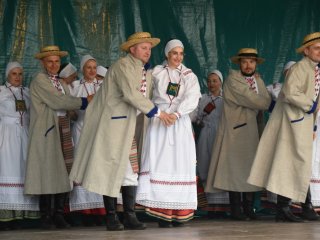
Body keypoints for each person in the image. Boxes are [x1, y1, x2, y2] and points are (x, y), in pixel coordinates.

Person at [70, 32, 173, 231]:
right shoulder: (122, 66)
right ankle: (111, 217)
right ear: (132, 49)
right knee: (110, 168)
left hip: (130, 126)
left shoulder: (145, 70)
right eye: (144, 48)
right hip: (114, 125)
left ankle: (129, 215)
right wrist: (159, 113)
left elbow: (147, 93)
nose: (148, 52)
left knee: (130, 171)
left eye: (149, 48)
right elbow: (130, 94)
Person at [247, 32, 320, 222]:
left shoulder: (313, 69)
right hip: (292, 122)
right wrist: (310, 105)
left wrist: (312, 122)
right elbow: (289, 92)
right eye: (317, 48)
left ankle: (297, 207)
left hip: (302, 123)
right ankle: (284, 208)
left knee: (296, 164)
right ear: (306, 51)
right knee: (288, 163)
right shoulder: (300, 68)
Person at [136, 39, 201, 227]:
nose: (178, 57)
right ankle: (161, 212)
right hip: (159, 120)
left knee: (179, 163)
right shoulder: (156, 72)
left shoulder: (189, 75)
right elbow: (144, 92)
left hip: (179, 123)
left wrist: (177, 114)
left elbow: (193, 97)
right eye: (174, 53)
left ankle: (179, 211)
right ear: (167, 54)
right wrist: (160, 113)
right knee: (159, 161)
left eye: (181, 54)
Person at [24, 45, 89, 229]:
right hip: (47, 131)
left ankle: (59, 213)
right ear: (43, 63)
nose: (54, 65)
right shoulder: (39, 80)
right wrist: (85, 101)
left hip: (63, 128)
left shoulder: (61, 83)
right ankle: (46, 215)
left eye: (56, 61)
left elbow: (68, 106)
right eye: (50, 62)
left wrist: (75, 112)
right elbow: (58, 101)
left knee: (65, 172)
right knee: (47, 170)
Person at [205, 48, 272, 220]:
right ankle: (236, 210)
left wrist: (264, 99)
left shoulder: (258, 81)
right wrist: (264, 101)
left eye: (251, 61)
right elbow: (257, 100)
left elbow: (264, 99)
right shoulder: (233, 80)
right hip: (237, 131)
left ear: (256, 64)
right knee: (235, 170)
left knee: (250, 170)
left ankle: (249, 208)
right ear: (239, 63)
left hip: (254, 131)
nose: (248, 65)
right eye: (244, 61)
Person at [0, 62, 39, 230]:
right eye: (14, 74)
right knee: (8, 170)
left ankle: (25, 215)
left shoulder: (28, 93)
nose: (17, 77)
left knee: (25, 171)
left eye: (20, 74)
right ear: (7, 75)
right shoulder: (1, 92)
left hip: (25, 135)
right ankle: (6, 216)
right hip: (7, 136)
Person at [68, 55, 105, 226]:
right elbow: (70, 109)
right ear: (82, 69)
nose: (92, 70)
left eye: (94, 67)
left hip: (99, 131)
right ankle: (83, 211)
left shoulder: (104, 86)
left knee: (98, 166)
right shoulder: (75, 86)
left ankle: (99, 211)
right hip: (81, 129)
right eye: (88, 67)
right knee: (82, 166)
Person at [192, 70, 229, 214]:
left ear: (220, 82)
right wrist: (202, 121)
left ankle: (223, 207)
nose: (212, 84)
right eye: (209, 81)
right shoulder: (202, 99)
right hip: (205, 135)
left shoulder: (226, 98)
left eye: (215, 81)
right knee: (205, 165)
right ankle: (209, 206)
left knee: (219, 166)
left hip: (220, 135)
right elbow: (196, 118)